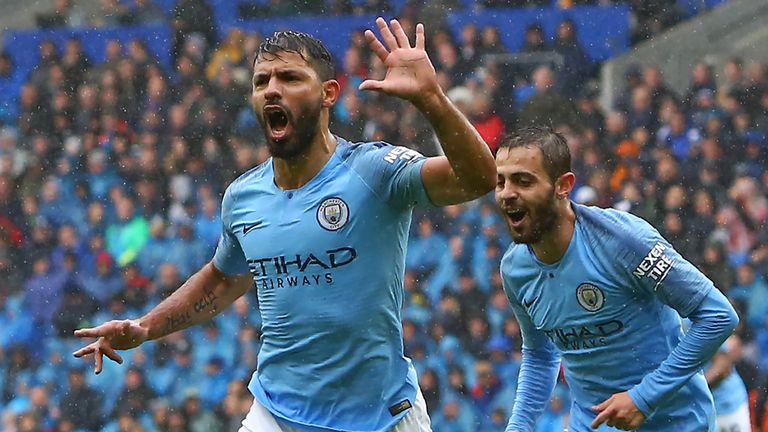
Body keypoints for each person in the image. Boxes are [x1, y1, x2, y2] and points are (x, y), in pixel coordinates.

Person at [73, 18, 496, 432]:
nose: (272, 89)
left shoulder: (374, 171)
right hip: (277, 413)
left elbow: (479, 178)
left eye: (290, 78)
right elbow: (223, 280)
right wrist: (145, 327)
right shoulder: (242, 197)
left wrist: (433, 101)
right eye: (261, 81)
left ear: (329, 93)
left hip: (381, 413)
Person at [494, 127, 738, 431]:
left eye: (523, 180)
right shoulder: (515, 270)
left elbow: (718, 316)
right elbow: (541, 354)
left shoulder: (622, 241)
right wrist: (518, 427)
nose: (506, 193)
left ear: (563, 186)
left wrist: (644, 398)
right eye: (501, 181)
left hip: (674, 423)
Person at [705, 335, 751, 432]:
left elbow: (723, 367)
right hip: (703, 408)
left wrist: (696, 388)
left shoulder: (693, 321)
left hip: (726, 405)